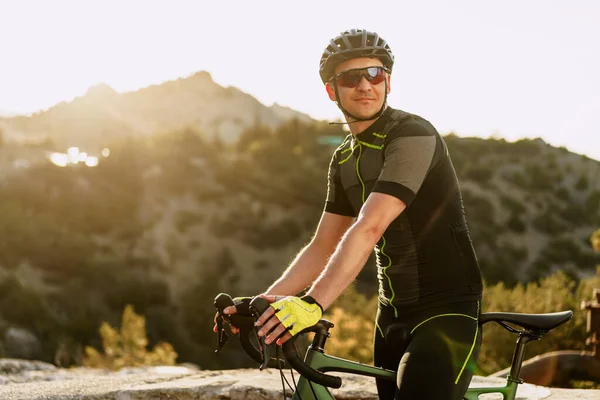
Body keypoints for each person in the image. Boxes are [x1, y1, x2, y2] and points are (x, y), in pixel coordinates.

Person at [214, 29, 484, 400]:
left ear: (387, 80)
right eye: (350, 78)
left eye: (374, 74)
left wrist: (313, 303)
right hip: (391, 315)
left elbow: (369, 226)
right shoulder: (343, 158)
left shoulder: (412, 135)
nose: (365, 85)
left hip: (447, 311)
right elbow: (323, 244)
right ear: (332, 91)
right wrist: (266, 303)